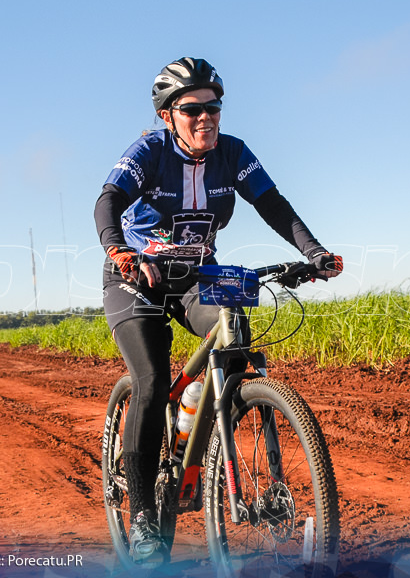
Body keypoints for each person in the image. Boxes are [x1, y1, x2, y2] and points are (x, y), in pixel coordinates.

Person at [94, 57, 342, 565]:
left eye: (214, 106)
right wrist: (119, 250)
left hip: (195, 277)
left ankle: (198, 431)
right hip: (136, 279)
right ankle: (142, 513)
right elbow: (108, 201)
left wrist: (313, 252)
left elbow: (274, 204)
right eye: (192, 109)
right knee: (150, 377)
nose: (206, 116)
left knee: (237, 337)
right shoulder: (148, 151)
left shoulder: (233, 154)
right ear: (168, 115)